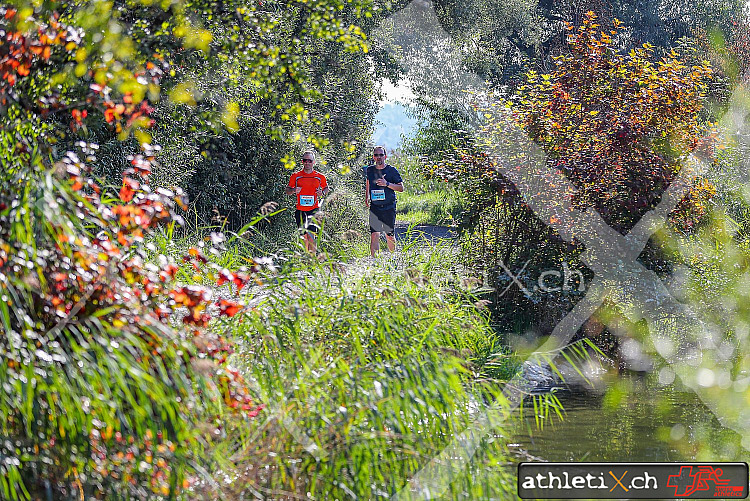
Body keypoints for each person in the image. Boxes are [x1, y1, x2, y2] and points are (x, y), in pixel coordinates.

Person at [286, 151, 329, 252]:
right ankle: (306, 260)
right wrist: (293, 190)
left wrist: (322, 193)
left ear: (314, 162)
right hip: (300, 210)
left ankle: (312, 263)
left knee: (311, 236)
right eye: (305, 160)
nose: (307, 163)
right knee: (304, 237)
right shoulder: (296, 176)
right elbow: (287, 190)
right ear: (302, 162)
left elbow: (326, 188)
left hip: (313, 210)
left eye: (309, 160)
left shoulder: (319, 177)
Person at [365, 146, 404, 257]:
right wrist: (366, 196)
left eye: (381, 155)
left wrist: (387, 184)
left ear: (385, 157)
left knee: (389, 235)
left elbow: (401, 188)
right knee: (374, 234)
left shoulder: (391, 171)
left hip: (388, 206)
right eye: (376, 155)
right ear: (373, 157)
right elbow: (368, 182)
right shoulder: (370, 170)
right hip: (375, 207)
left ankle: (392, 258)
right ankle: (374, 263)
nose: (379, 157)